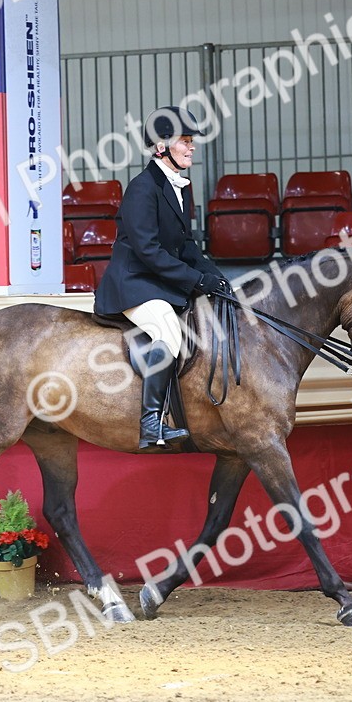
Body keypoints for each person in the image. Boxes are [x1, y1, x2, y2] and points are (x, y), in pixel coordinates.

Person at [94, 106, 231, 451]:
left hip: (158, 280)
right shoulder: (142, 188)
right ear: (161, 147)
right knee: (168, 332)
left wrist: (218, 279)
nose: (191, 147)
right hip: (134, 283)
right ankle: (151, 424)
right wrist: (197, 282)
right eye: (185, 141)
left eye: (190, 141)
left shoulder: (180, 187)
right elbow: (149, 251)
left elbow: (186, 245)